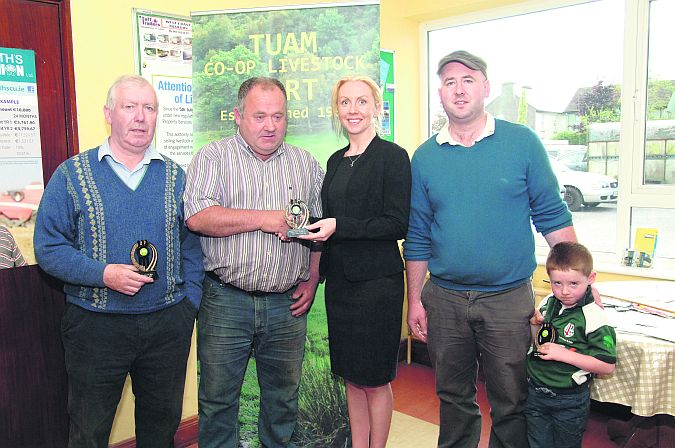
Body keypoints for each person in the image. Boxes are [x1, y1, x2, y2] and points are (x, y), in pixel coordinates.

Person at [403, 50, 578, 448]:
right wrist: (415, 300)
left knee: (512, 400)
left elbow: (551, 215)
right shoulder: (426, 157)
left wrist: (580, 282)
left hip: (507, 300)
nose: (459, 89)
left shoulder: (522, 143)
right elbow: (418, 234)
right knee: (452, 397)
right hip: (444, 299)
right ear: (440, 93)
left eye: (468, 79)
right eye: (449, 82)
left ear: (485, 87)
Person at [33, 75, 203, 447]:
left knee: (161, 427)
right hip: (96, 328)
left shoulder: (176, 176)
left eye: (149, 108)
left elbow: (192, 244)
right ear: (109, 114)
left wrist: (189, 304)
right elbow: (48, 248)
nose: (141, 117)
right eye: (130, 107)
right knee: (89, 430)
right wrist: (103, 274)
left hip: (166, 325)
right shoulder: (72, 175)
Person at [184, 77, 324, 448]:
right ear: (237, 116)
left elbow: (318, 229)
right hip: (226, 301)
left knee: (282, 400)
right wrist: (263, 218)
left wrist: (311, 280)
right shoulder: (212, 157)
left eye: (278, 116)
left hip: (286, 304)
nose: (270, 125)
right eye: (259, 116)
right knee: (218, 401)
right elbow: (198, 217)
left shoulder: (305, 164)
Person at [297, 76, 411, 448]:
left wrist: (338, 226)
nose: (353, 110)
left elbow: (397, 223)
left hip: (377, 286)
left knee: (375, 379)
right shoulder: (334, 161)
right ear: (337, 110)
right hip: (342, 286)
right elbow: (327, 220)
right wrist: (305, 231)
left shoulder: (392, 157)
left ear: (377, 108)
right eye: (345, 102)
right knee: (349, 375)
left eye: (362, 102)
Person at [526, 242, 616, 448]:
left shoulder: (594, 317)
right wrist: (534, 326)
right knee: (536, 444)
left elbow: (607, 365)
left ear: (590, 279)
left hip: (569, 400)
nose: (564, 291)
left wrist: (563, 354)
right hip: (536, 392)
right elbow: (538, 343)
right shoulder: (548, 302)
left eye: (573, 284)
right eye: (556, 283)